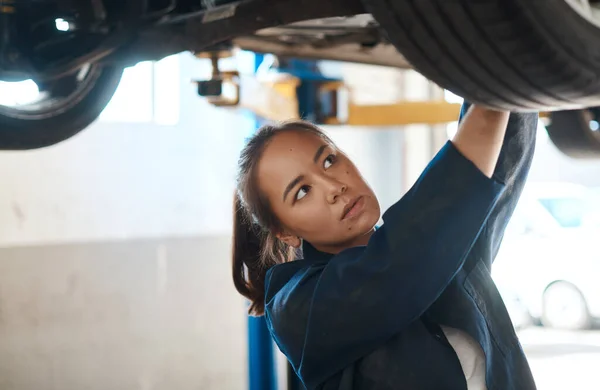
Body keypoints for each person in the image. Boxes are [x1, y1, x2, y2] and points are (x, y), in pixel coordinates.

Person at [232, 101, 539, 390]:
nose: (333, 187)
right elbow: (400, 263)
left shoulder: (437, 248)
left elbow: (499, 167)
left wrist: (509, 73)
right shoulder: (299, 309)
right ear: (285, 232)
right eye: (301, 192)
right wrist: (491, 97)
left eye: (329, 160)